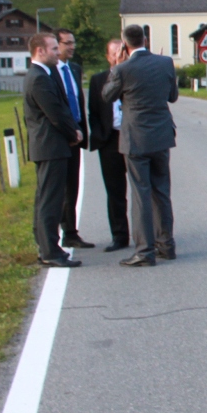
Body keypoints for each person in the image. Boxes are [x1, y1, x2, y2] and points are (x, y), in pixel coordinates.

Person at [103, 24, 179, 267]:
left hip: (135, 139)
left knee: (141, 195)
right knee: (161, 191)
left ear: (125, 45)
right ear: (145, 39)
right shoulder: (165, 62)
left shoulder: (122, 69)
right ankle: (166, 245)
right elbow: (173, 96)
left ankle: (145, 251)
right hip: (161, 136)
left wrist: (116, 66)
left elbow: (107, 96)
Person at [23, 33, 82, 268]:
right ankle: (49, 250)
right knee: (50, 200)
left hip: (48, 146)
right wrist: (73, 133)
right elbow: (54, 113)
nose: (58, 53)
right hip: (50, 146)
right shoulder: (39, 78)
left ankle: (46, 247)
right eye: (54, 49)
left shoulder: (41, 75)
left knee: (46, 198)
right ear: (40, 51)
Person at [88, 38, 131, 253]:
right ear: (108, 57)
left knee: (142, 189)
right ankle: (119, 236)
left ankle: (147, 234)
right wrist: (101, 136)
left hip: (133, 137)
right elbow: (93, 112)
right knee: (115, 192)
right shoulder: (98, 80)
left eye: (121, 52)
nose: (118, 56)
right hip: (110, 139)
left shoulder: (134, 75)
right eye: (114, 53)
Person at [54, 28, 93, 249]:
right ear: (56, 45)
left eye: (73, 42)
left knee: (72, 185)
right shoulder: (50, 72)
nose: (72, 47)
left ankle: (70, 232)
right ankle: (55, 234)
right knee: (58, 187)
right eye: (67, 43)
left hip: (76, 134)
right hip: (59, 136)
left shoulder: (74, 69)